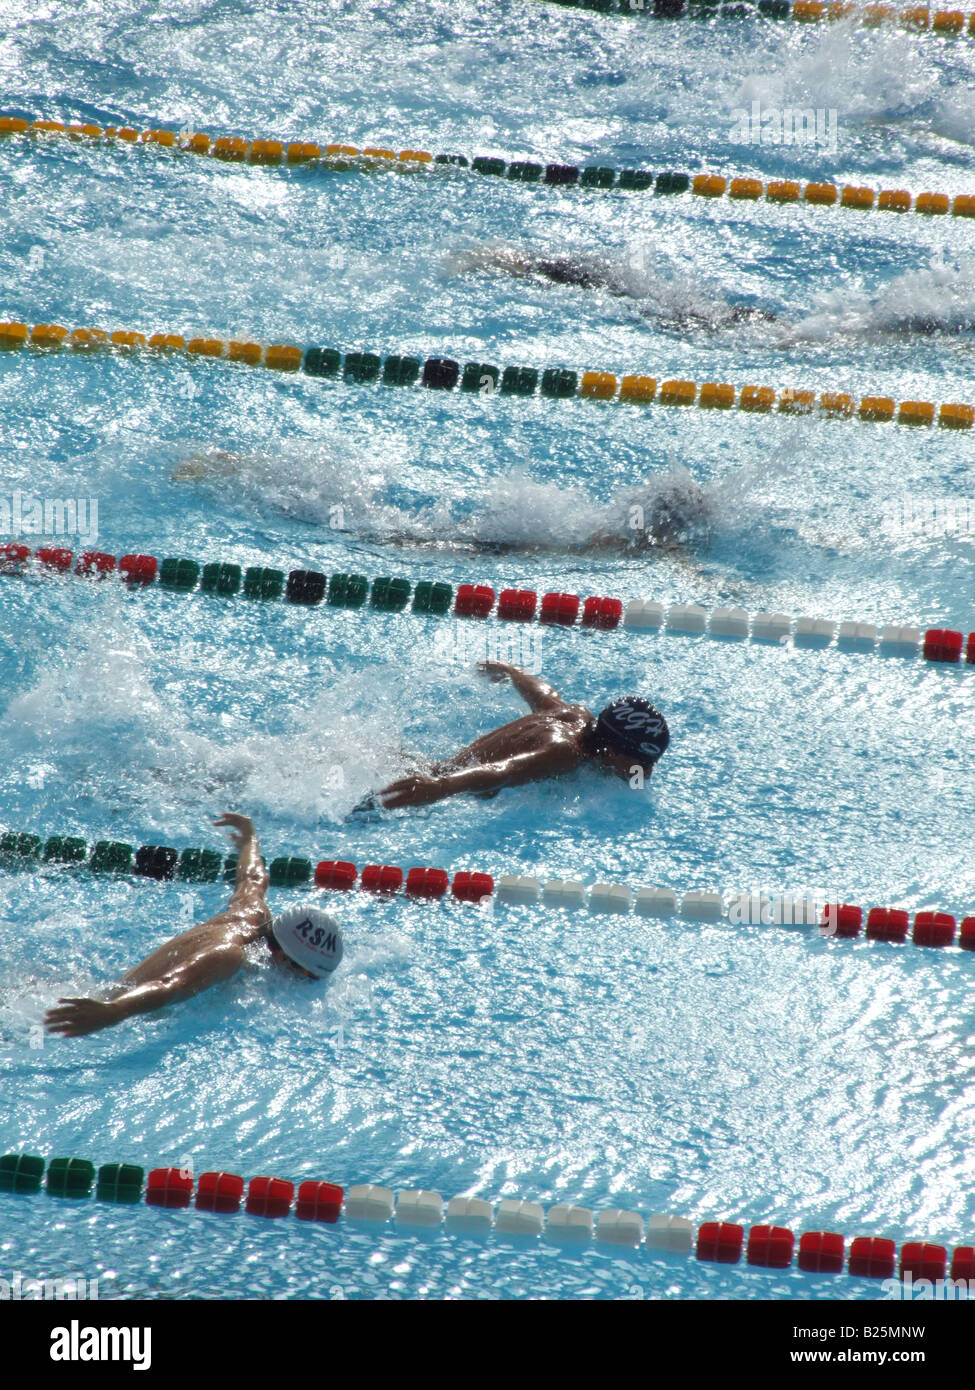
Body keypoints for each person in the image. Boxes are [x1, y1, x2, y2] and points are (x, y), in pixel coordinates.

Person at [43, 814, 342, 1038]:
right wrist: (114, 1012)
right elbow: (170, 986)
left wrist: (249, 838)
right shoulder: (230, 955)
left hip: (103, 996)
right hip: (102, 1008)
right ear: (281, 955)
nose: (305, 981)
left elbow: (253, 877)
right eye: (305, 974)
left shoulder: (253, 912)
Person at [377, 664, 669, 809]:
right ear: (614, 751)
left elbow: (544, 694)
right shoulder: (565, 752)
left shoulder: (578, 718)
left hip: (431, 773)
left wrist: (511, 672)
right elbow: (503, 772)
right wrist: (440, 787)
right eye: (641, 763)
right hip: (433, 790)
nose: (647, 772)